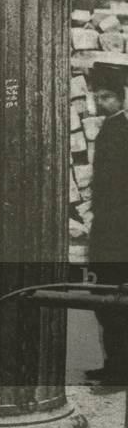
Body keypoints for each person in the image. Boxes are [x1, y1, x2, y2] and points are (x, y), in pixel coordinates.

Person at [84, 64, 128, 391]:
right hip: (106, 228)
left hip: (118, 233)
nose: (101, 102)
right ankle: (113, 365)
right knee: (106, 300)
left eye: (107, 97)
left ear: (121, 98)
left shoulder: (120, 131)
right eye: (97, 96)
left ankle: (119, 371)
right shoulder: (110, 129)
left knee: (115, 302)